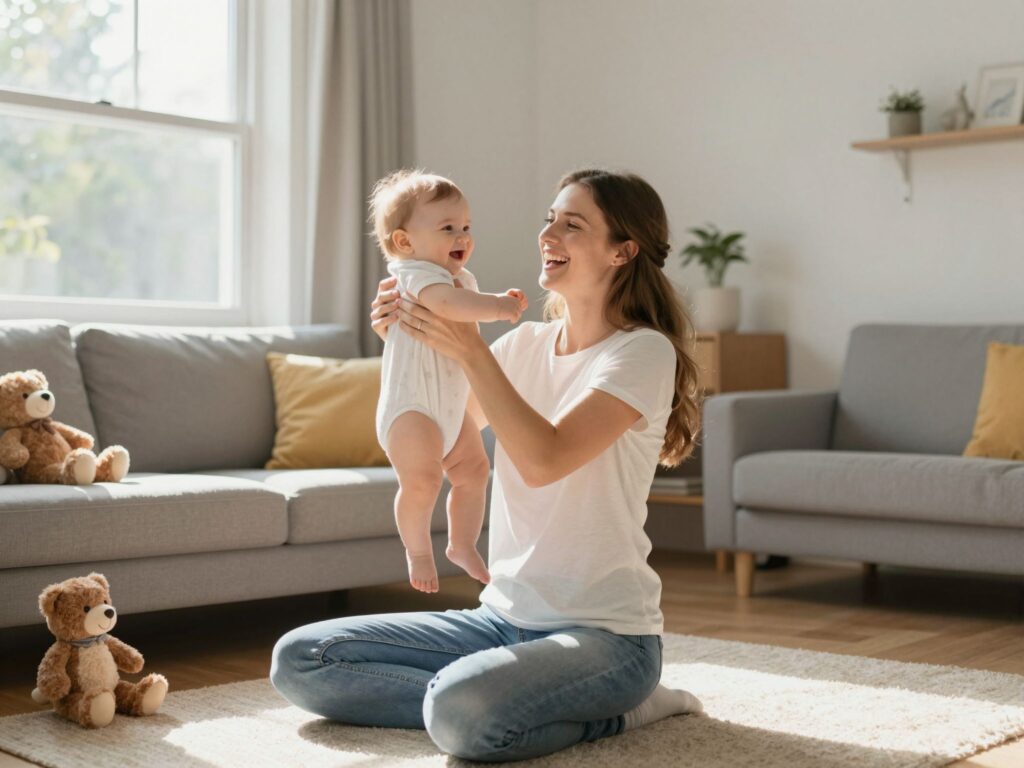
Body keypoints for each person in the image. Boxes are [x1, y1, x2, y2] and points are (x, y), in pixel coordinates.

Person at [271, 169, 704, 762]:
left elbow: (545, 458)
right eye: (549, 220)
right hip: (500, 620)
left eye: (572, 225)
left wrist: (471, 348)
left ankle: (624, 708)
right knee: (302, 659)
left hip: (606, 637)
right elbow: (449, 438)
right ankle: (486, 697)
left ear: (621, 251)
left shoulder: (641, 351)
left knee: (463, 710)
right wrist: (406, 343)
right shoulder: (522, 345)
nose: (548, 234)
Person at [369, 170, 528, 593]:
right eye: (448, 228)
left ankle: (462, 544)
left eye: (466, 227)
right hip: (411, 408)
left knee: (475, 471)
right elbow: (447, 305)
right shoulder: (414, 272)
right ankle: (419, 552)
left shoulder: (460, 278)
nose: (462, 237)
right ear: (405, 242)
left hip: (451, 409)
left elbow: (458, 307)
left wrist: (483, 300)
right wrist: (498, 306)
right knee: (422, 481)